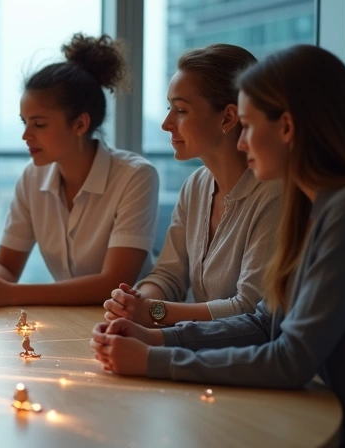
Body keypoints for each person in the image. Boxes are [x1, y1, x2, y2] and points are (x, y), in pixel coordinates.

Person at [91, 45, 345, 448]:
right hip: (318, 426)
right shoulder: (314, 207)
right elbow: (262, 321)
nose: (240, 141)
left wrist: (154, 360)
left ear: (288, 128)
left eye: (249, 126)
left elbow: (290, 357)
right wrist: (157, 340)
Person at [0, 33, 159, 306]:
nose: (26, 135)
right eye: (24, 122)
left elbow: (114, 283)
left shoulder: (135, 176)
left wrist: (11, 293)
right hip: (68, 321)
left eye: (39, 124)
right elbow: (6, 266)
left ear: (80, 125)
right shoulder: (33, 177)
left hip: (130, 326)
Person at [105, 44, 280, 327]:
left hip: (239, 362)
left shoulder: (274, 193)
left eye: (180, 110)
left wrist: (153, 312)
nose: (166, 123)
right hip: (200, 349)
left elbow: (249, 308)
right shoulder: (196, 186)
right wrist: (136, 301)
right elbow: (168, 276)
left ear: (227, 117)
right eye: (168, 108)